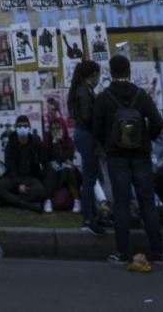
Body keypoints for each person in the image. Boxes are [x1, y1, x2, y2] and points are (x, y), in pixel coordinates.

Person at [93, 55, 163, 263]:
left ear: (111, 71)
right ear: (129, 71)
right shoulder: (141, 95)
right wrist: (146, 138)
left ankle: (123, 252)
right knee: (147, 203)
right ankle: (158, 251)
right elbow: (157, 122)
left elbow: (97, 129)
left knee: (122, 203)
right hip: (141, 156)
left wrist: (108, 144)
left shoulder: (104, 97)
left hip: (116, 157)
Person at [67, 59, 105, 235]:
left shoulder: (82, 90)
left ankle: (92, 215)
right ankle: (88, 218)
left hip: (84, 135)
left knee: (90, 176)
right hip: (87, 135)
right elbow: (88, 116)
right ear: (93, 75)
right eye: (98, 74)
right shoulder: (84, 92)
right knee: (89, 178)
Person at [0, 115, 48, 212]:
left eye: (25, 126)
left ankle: (9, 200)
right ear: (16, 128)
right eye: (20, 126)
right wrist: (18, 185)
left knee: (40, 191)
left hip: (30, 177)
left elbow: (44, 159)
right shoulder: (11, 144)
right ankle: (29, 205)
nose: (22, 129)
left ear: (29, 128)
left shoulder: (35, 142)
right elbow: (10, 167)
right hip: (13, 178)